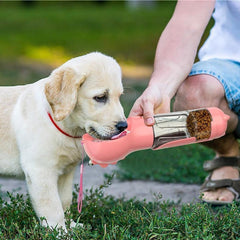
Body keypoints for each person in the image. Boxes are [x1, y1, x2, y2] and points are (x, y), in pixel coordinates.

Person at [129, 0, 240, 204]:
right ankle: (229, 154)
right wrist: (160, 87)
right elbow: (186, 24)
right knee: (195, 97)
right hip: (231, 61)